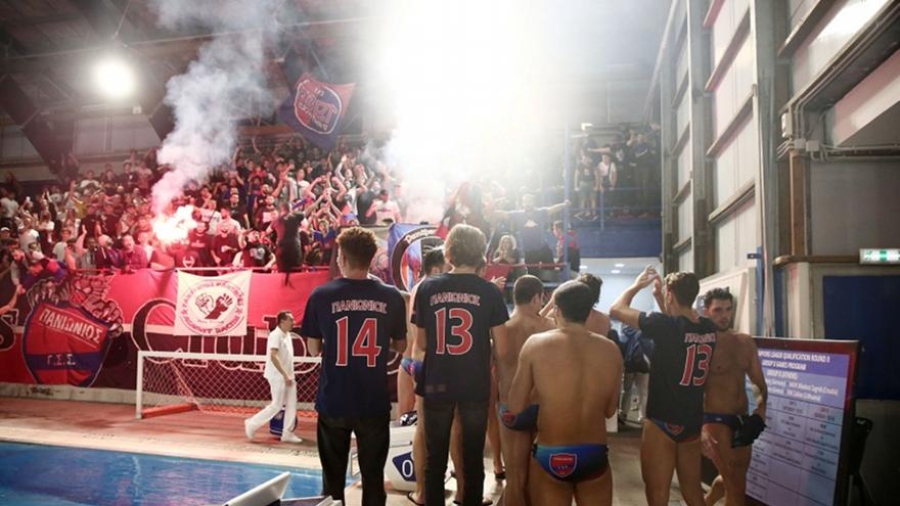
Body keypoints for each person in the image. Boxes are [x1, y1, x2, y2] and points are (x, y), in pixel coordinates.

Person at [302, 227, 408, 506]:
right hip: (373, 401)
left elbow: (313, 349)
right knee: (373, 479)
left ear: (343, 258)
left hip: (334, 400)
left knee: (332, 482)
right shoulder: (391, 296)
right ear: (371, 259)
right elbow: (401, 346)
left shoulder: (321, 294)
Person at [413, 224, 509, 506]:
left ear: (449, 251)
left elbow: (422, 343)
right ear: (481, 254)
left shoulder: (428, 287)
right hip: (474, 383)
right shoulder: (490, 292)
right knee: (472, 459)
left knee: (435, 460)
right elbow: (503, 349)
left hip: (437, 381)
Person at [506, 280, 622, 506]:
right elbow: (610, 411)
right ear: (589, 312)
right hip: (593, 453)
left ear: (557, 310)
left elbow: (515, 406)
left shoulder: (535, 345)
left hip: (551, 451)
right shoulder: (611, 350)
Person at [610, 267, 717, 506]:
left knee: (657, 495)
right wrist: (660, 296)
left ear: (670, 295)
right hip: (691, 420)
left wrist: (637, 285)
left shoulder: (664, 325)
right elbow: (678, 325)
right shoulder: (708, 328)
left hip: (661, 418)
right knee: (693, 493)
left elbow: (616, 308)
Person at [701, 289, 767, 506]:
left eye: (728, 309)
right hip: (714, 419)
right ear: (707, 311)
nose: (724, 316)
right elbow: (691, 389)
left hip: (742, 418)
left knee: (734, 477)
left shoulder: (744, 342)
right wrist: (699, 427)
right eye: (718, 310)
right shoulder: (702, 345)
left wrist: (760, 410)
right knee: (736, 483)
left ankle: (706, 502)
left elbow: (757, 383)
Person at [495, 275, 555, 506]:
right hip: (541, 408)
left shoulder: (502, 329)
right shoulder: (549, 328)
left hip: (511, 408)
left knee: (515, 480)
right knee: (538, 480)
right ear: (536, 298)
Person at [243, 310, 302, 444]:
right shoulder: (275, 335)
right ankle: (252, 424)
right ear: (282, 321)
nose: (293, 322)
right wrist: (285, 374)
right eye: (290, 320)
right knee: (277, 405)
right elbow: (273, 356)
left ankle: (287, 433)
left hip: (289, 375)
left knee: (292, 404)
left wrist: (289, 375)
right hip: (278, 376)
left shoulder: (287, 335)